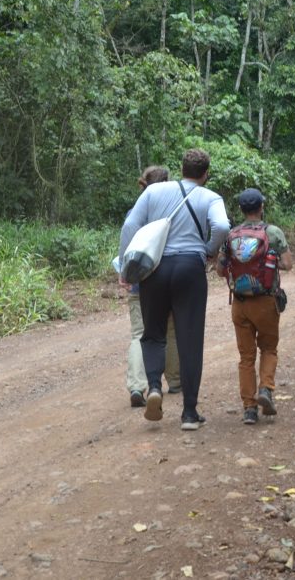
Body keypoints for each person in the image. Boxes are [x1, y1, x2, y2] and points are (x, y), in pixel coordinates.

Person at [119, 148, 230, 429]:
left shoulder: (155, 192)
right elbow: (221, 226)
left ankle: (154, 386)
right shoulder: (210, 196)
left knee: (153, 333)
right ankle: (190, 414)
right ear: (205, 173)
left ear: (181, 168)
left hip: (154, 270)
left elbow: (130, 224)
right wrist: (207, 250)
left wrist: (125, 266)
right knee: (189, 340)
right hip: (190, 269)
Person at [217, 188, 293, 425]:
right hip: (266, 301)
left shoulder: (230, 236)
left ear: (241, 209)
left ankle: (249, 409)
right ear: (261, 207)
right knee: (269, 349)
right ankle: (266, 390)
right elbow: (288, 264)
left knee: (246, 357)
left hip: (239, 304)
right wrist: (268, 263)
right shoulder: (273, 232)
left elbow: (220, 269)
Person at [122, 166, 182, 408]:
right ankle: (176, 380)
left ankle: (137, 386)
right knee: (169, 331)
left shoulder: (135, 211)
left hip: (140, 282)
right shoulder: (175, 212)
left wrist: (124, 273)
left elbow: (128, 239)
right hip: (167, 279)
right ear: (167, 183)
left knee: (140, 334)